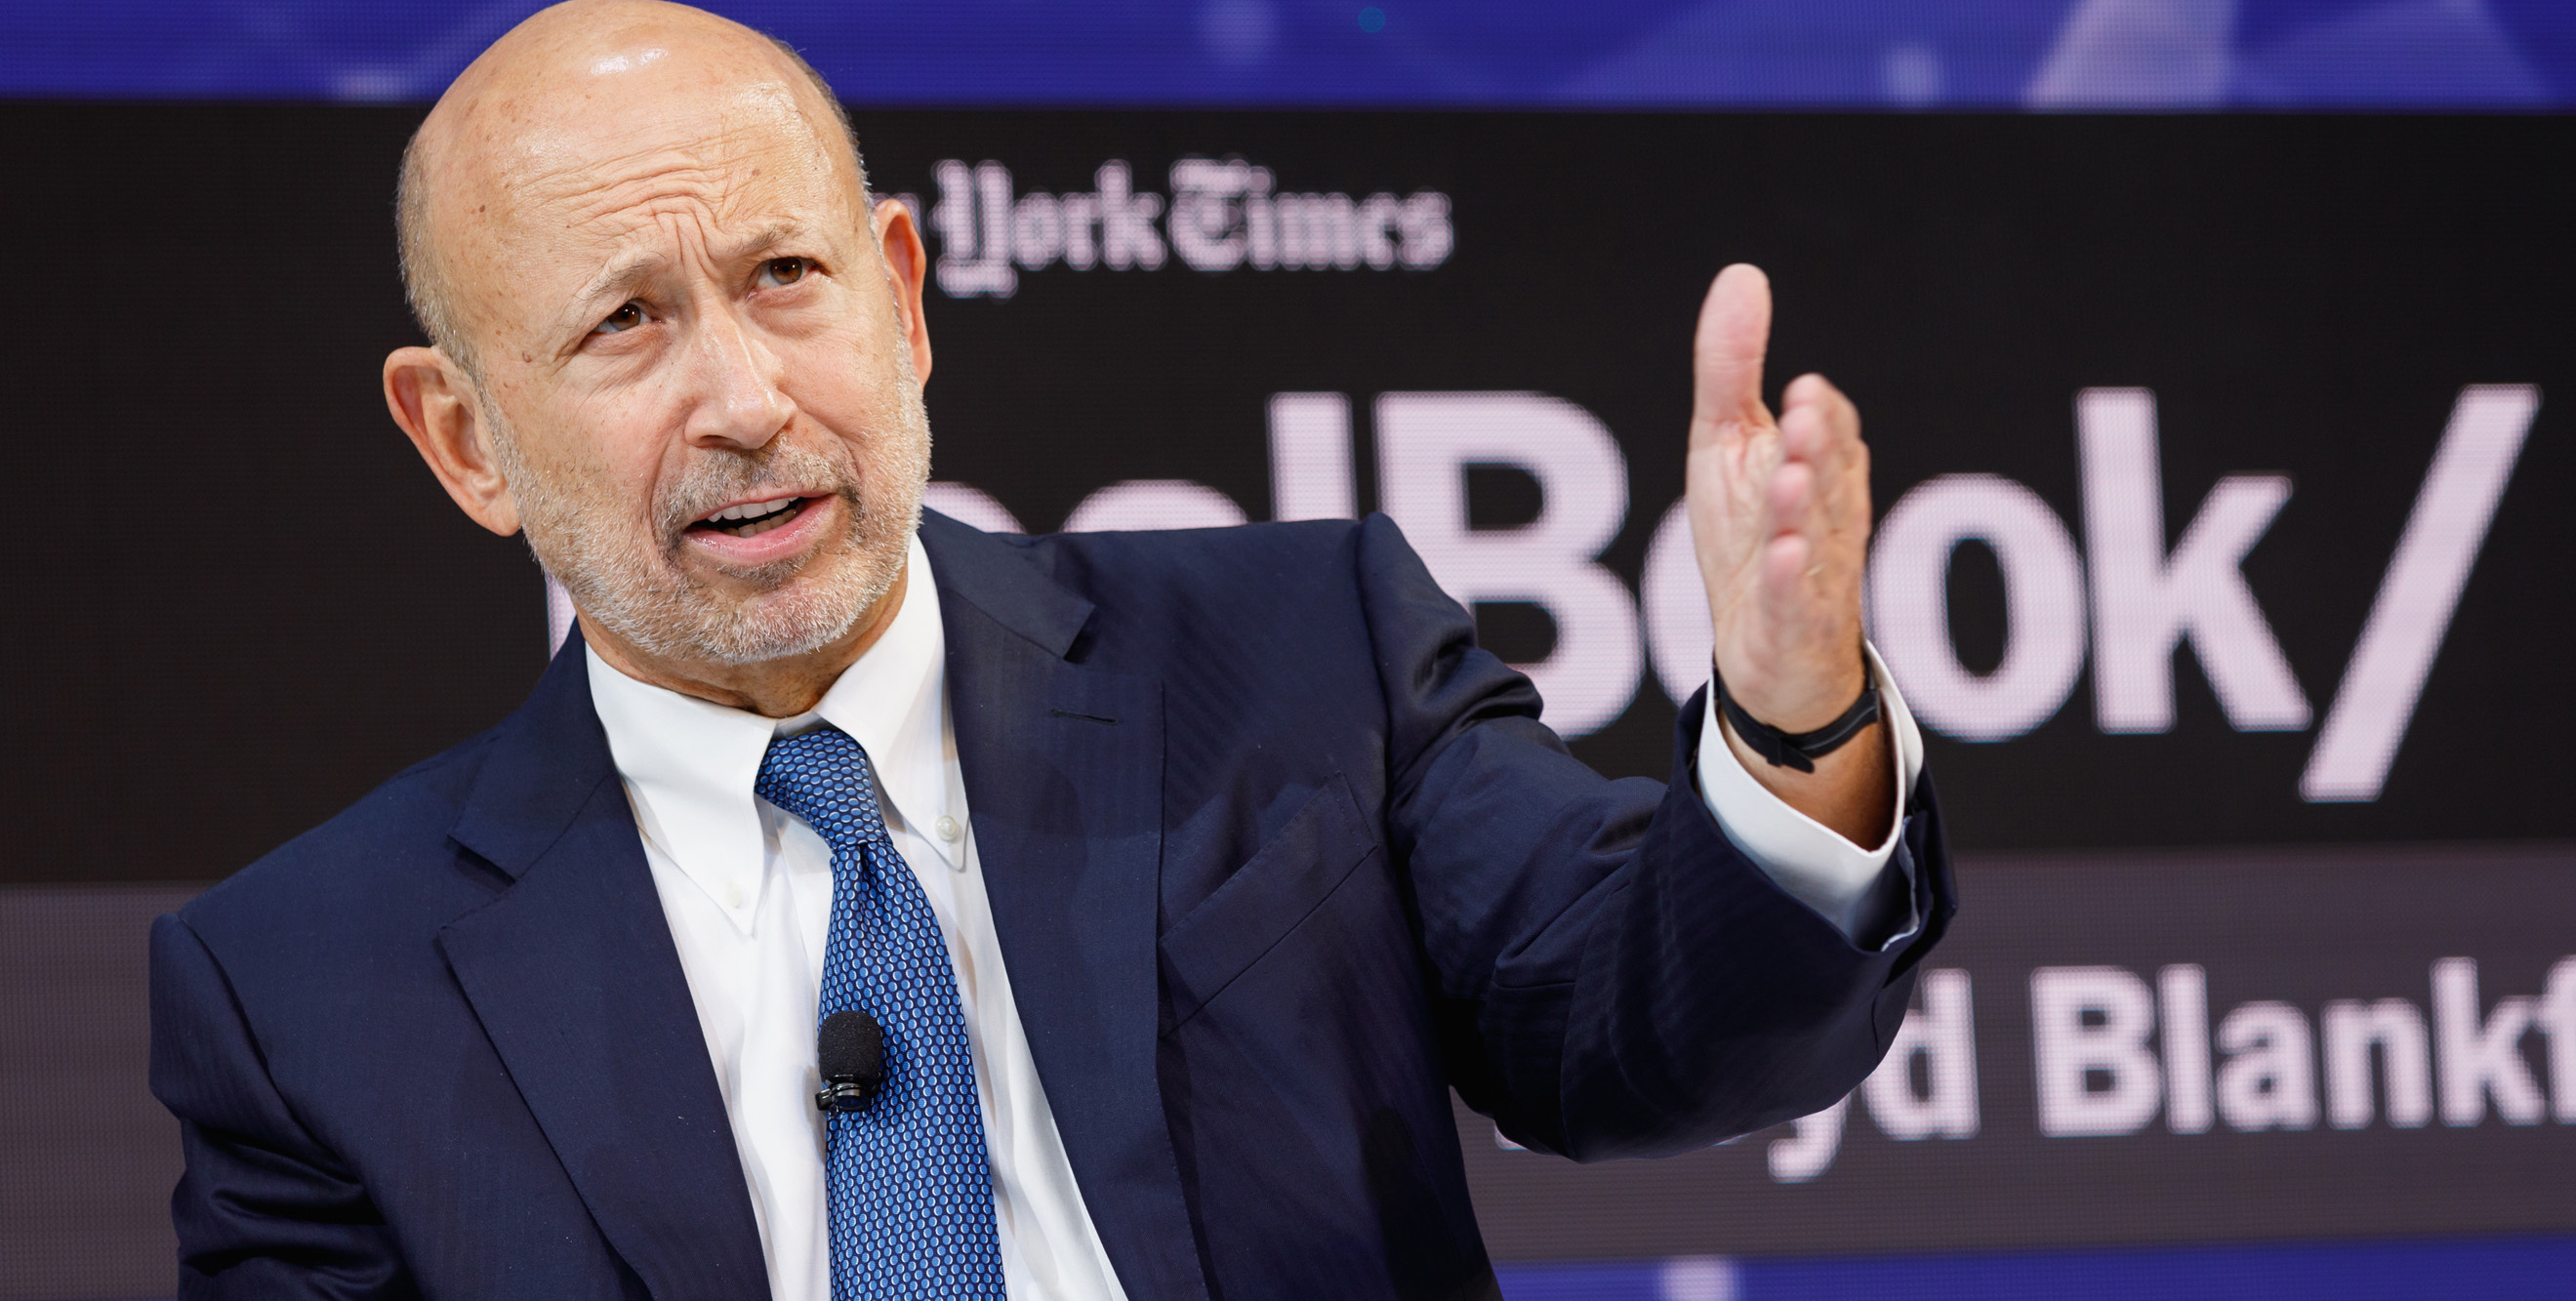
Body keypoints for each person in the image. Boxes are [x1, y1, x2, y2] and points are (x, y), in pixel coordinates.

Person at [145, 3, 1952, 1298]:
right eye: (627, 322)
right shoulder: (305, 994)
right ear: (464, 438)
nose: (748, 399)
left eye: (788, 277)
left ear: (904, 298)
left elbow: (1656, 1032)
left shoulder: (1293, 657)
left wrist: (1794, 723)